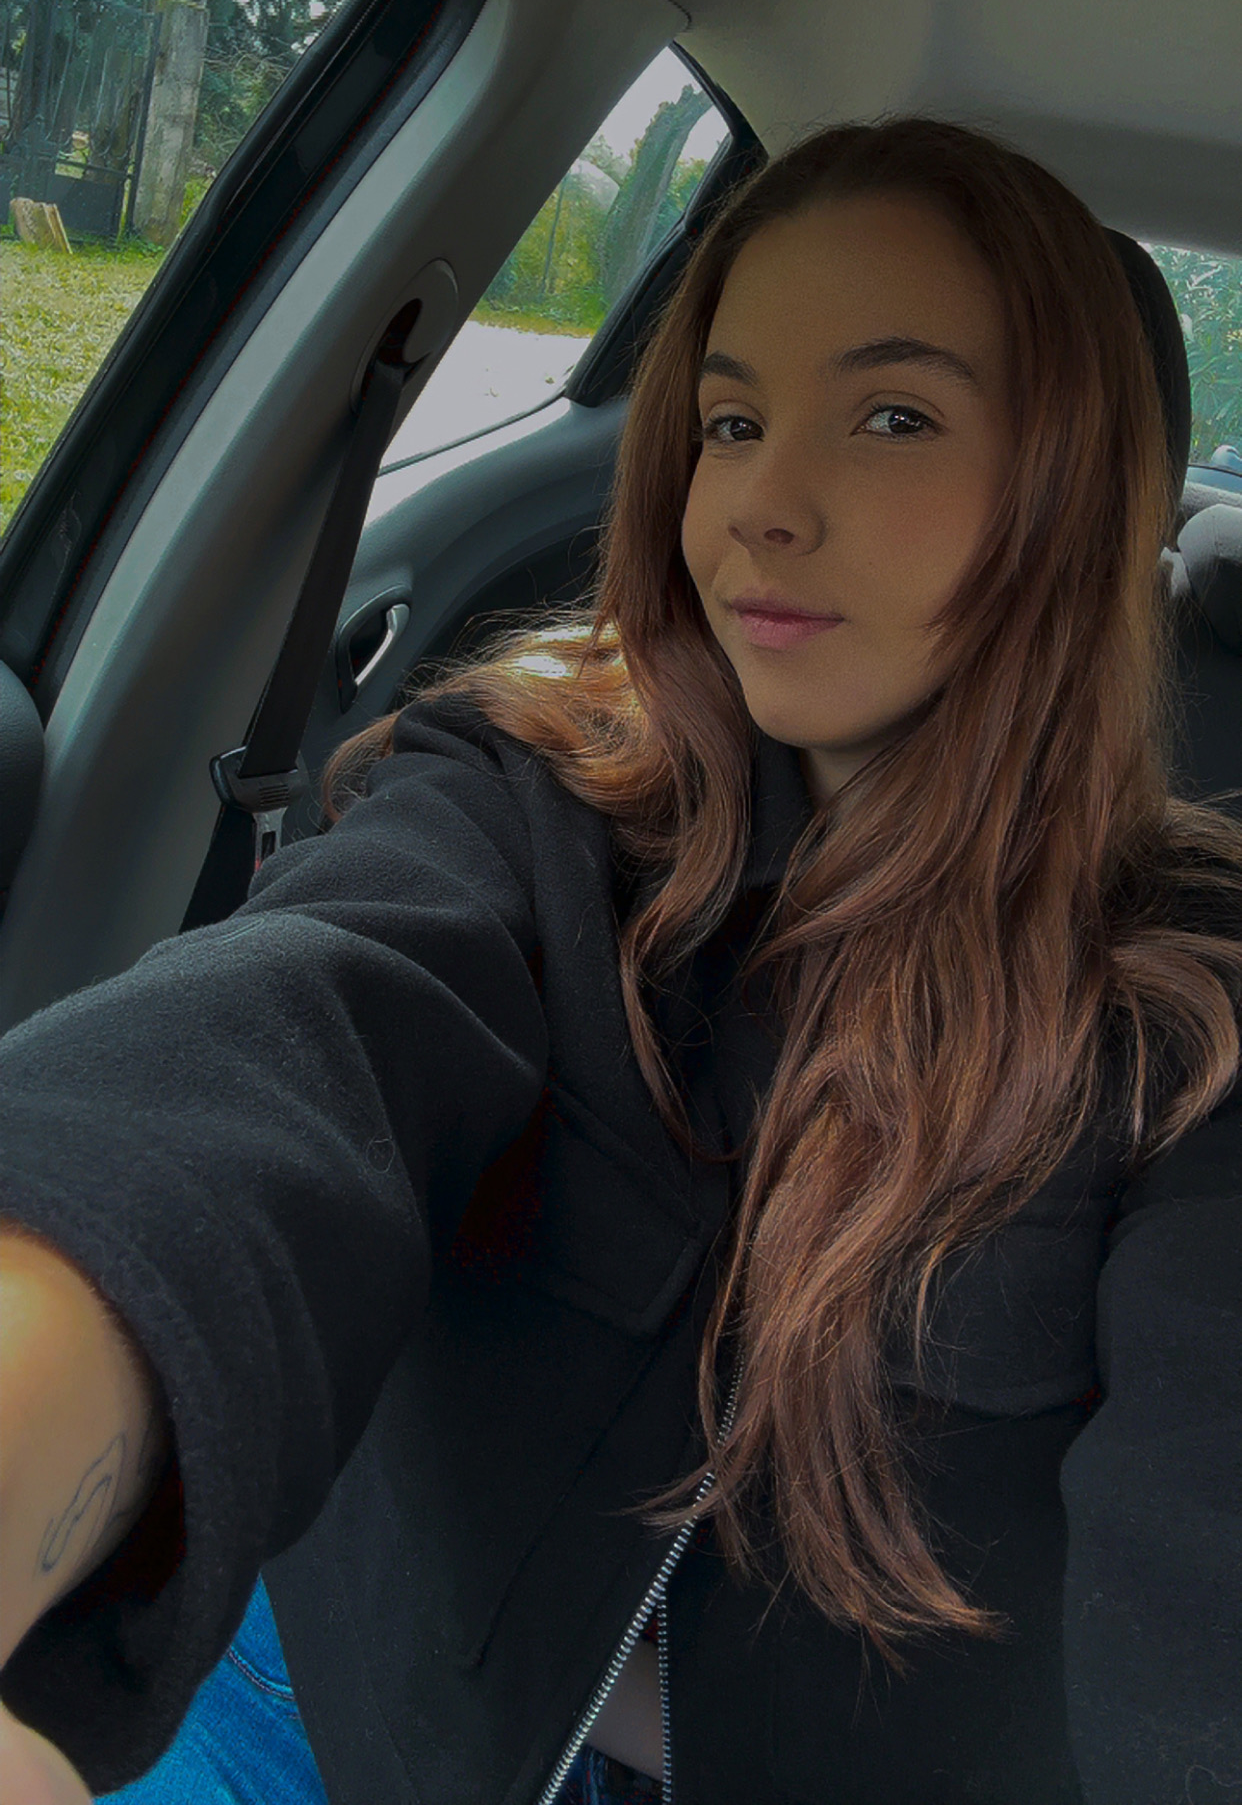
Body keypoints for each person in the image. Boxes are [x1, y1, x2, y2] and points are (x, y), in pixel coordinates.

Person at [2, 115, 1241, 1805]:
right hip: (341, 1709)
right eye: (730, 422)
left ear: (1078, 488)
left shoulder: (1190, 997)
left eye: (891, 416)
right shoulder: (529, 800)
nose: (761, 508)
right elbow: (276, 1049)